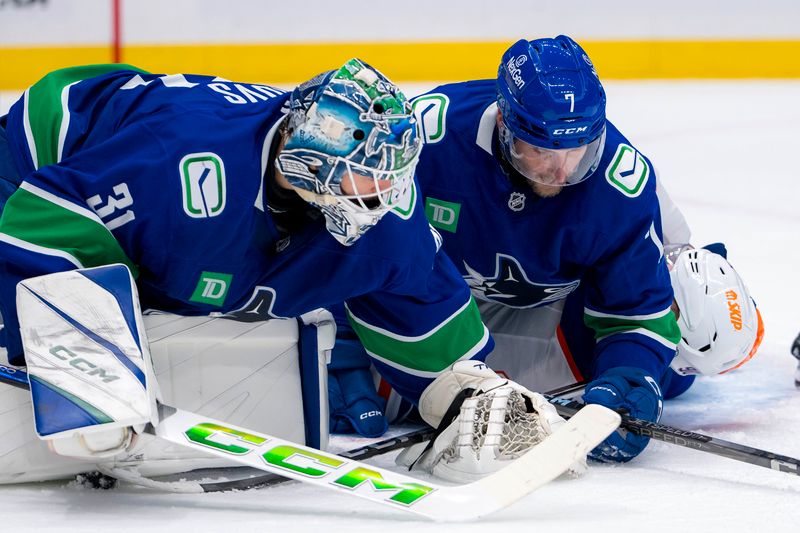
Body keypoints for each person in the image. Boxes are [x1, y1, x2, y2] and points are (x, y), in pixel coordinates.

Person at [0, 59, 576, 482]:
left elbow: (429, 327)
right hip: (38, 157)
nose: (383, 196)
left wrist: (472, 395)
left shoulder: (387, 218)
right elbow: (44, 223)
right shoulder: (181, 168)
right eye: (365, 175)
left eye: (392, 174)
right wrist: (84, 367)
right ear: (311, 161)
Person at [399, 35, 683, 463]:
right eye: (539, 150)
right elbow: (367, 245)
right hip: (439, 302)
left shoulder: (621, 185)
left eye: (576, 151)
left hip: (559, 309)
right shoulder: (430, 138)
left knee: (692, 335)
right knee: (340, 376)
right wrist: (346, 344)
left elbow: (635, 312)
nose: (560, 171)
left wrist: (632, 373)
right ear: (503, 123)